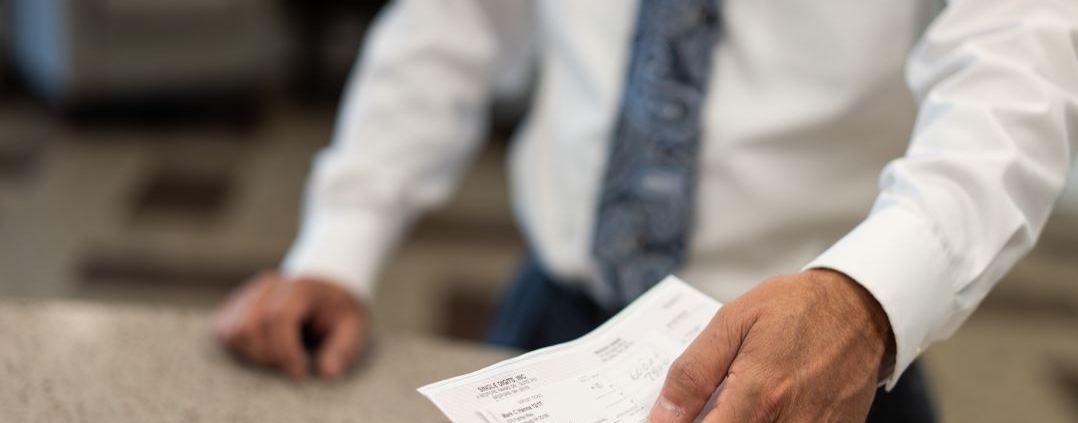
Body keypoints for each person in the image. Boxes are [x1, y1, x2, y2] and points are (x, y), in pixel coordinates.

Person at [212, 1, 1078, 422]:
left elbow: (1018, 73)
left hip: (830, 355)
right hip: (554, 326)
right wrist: (339, 244)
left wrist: (870, 295)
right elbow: (460, 19)